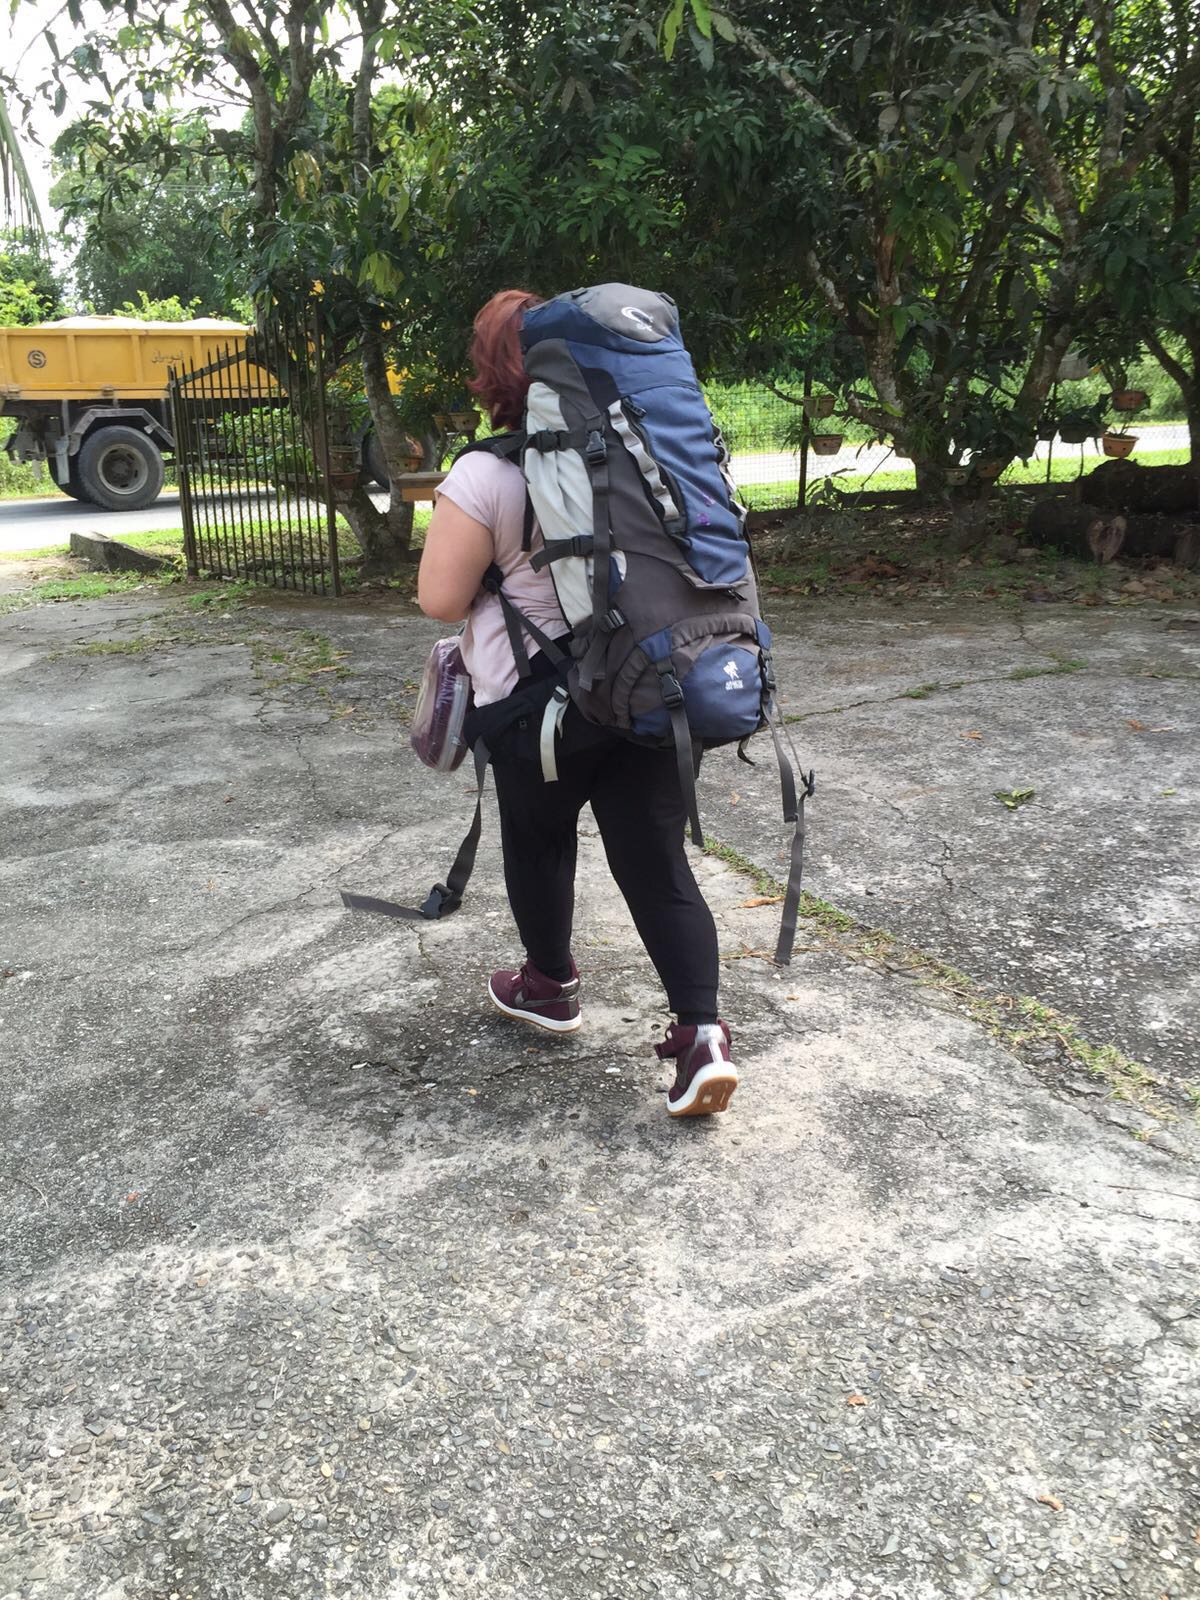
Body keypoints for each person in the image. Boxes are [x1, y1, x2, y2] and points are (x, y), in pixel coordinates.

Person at [417, 289, 737, 1118]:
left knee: (538, 840)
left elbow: (439, 600)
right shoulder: (637, 451)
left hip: (536, 713)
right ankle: (702, 1037)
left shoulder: (484, 473)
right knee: (656, 862)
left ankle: (550, 984)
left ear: (493, 375)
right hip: (647, 683)